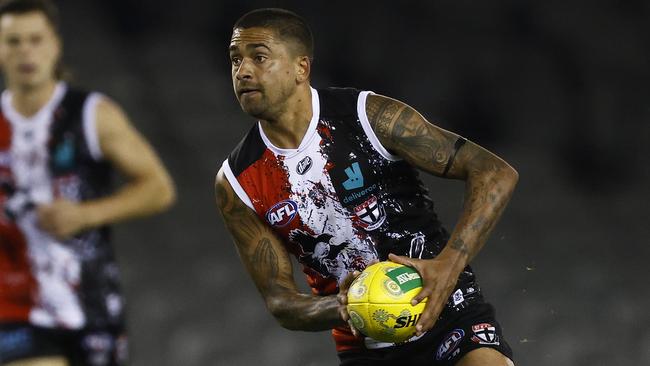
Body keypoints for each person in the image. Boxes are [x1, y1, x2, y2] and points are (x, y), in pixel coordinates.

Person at [215, 8, 518, 366]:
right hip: (366, 347)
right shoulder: (236, 181)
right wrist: (344, 304)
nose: (243, 71)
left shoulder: (365, 116)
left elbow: (495, 172)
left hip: (446, 310)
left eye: (259, 57)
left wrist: (449, 264)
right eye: (236, 60)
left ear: (301, 67)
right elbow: (281, 303)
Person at [0, 0, 176, 365]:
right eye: (13, 41)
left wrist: (85, 214)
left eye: (35, 39)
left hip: (89, 300)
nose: (25, 51)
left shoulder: (92, 115)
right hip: (15, 305)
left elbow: (158, 188)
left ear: (55, 45)